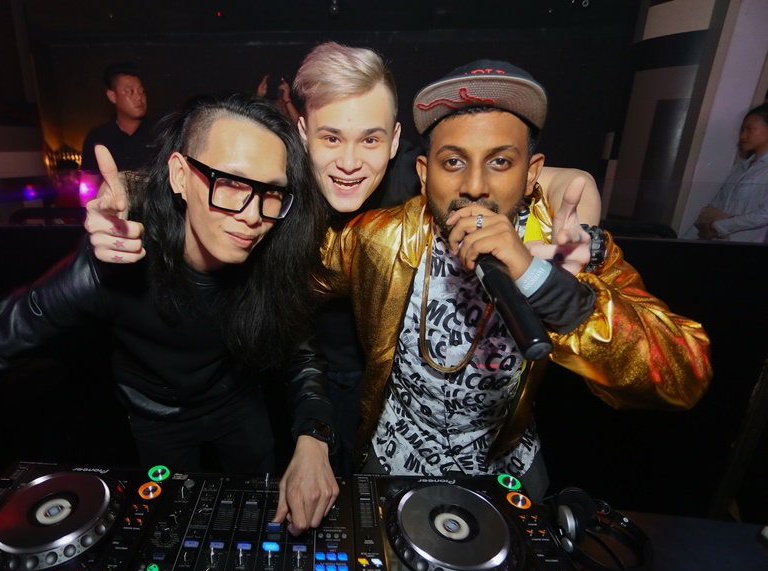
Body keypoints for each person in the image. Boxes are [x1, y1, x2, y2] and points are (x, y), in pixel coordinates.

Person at [84, 45, 603, 482]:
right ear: (302, 133)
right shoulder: (276, 180)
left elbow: (551, 179)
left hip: (379, 376)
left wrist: (578, 217)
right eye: (331, 137)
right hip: (293, 364)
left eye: (370, 139)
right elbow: (199, 177)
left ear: (395, 141)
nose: (351, 163)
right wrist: (125, 193)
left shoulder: (417, 180)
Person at [0, 95, 337, 535]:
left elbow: (300, 351)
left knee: (258, 517)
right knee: (168, 528)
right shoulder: (115, 259)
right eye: (230, 183)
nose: (253, 214)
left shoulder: (272, 254)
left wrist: (314, 437)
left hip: (238, 403)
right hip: (156, 418)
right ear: (179, 175)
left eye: (271, 192)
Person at [315, 59, 710, 499]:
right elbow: (290, 274)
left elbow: (683, 378)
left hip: (507, 470)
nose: (475, 186)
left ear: (532, 172)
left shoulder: (568, 246)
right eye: (453, 162)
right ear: (424, 174)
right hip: (392, 457)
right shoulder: (378, 237)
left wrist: (548, 285)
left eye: (500, 162)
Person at [692, 103, 768, 243]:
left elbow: (764, 215)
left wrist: (718, 226)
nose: (743, 136)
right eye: (742, 129)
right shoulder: (741, 167)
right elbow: (720, 201)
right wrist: (707, 222)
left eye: (750, 129)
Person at [79, 62, 154, 200]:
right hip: (113, 211)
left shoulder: (160, 133)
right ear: (112, 96)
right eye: (130, 91)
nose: (139, 97)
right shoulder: (98, 138)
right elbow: (88, 187)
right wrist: (90, 209)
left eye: (141, 91)